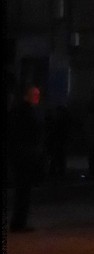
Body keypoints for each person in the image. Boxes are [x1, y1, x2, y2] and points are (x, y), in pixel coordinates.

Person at [7, 85, 44, 232]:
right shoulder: (24, 112)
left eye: (38, 95)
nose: (37, 98)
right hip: (24, 155)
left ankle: (19, 221)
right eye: (34, 95)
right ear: (26, 96)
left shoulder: (21, 111)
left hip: (22, 154)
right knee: (23, 189)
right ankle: (19, 223)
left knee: (23, 189)